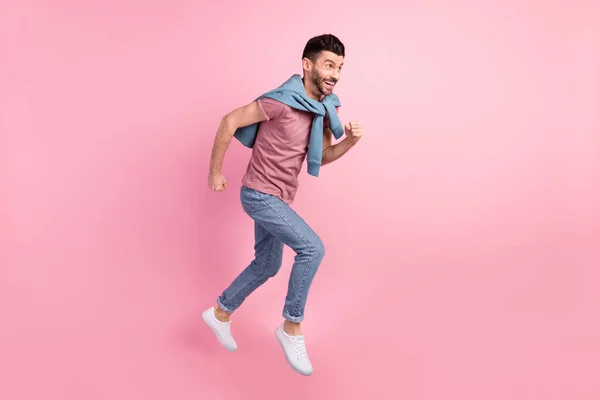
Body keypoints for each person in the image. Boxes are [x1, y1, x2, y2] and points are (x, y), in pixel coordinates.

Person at [202, 33, 363, 376]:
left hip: (278, 197)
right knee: (312, 249)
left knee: (267, 265)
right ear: (307, 65)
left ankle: (220, 312)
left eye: (340, 67)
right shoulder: (282, 101)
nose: (335, 73)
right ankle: (291, 327)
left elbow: (321, 156)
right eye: (328, 65)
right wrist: (215, 172)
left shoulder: (321, 110)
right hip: (259, 194)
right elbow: (230, 121)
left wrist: (349, 141)